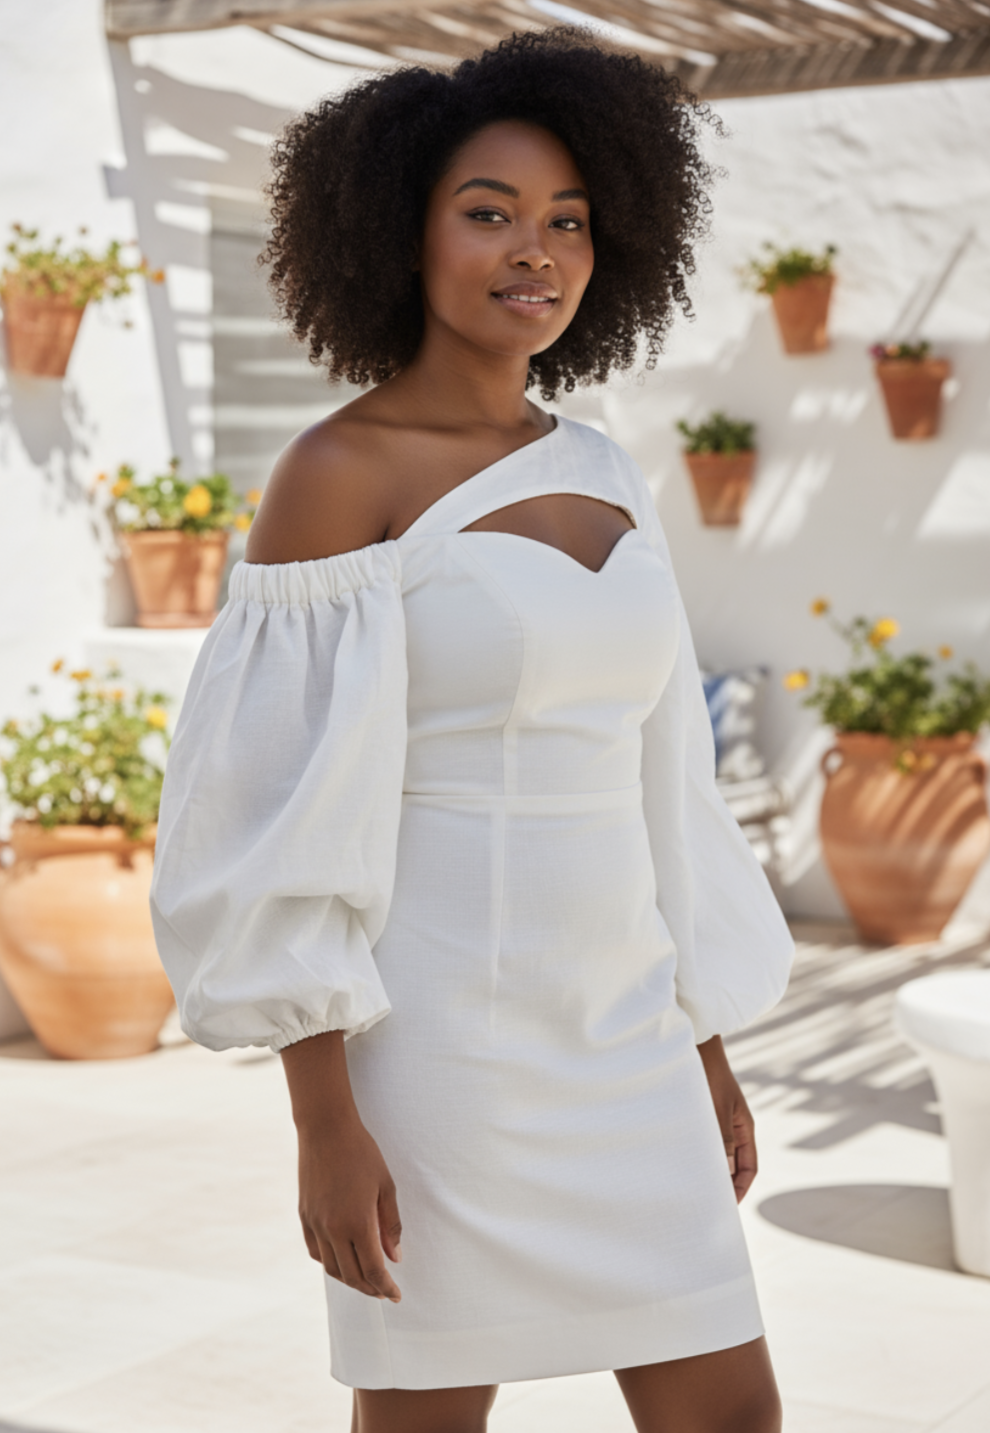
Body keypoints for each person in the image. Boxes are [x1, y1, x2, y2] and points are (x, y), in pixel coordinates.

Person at [151, 28, 794, 1433]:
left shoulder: (605, 467)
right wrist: (324, 1120)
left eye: (567, 219)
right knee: (428, 1422)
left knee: (731, 1413)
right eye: (489, 212)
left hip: (623, 1034)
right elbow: (272, 811)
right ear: (401, 231)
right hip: (436, 1048)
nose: (536, 250)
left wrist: (702, 1049)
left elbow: (659, 787)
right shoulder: (338, 474)